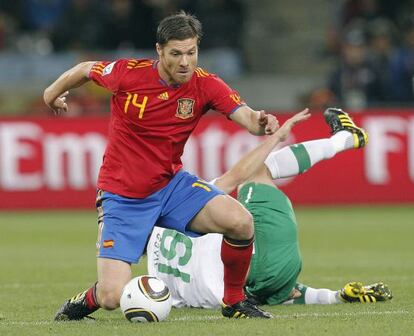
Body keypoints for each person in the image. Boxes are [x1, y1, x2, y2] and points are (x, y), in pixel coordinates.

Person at [44, 11, 281, 321]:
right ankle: (85, 300)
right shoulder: (128, 74)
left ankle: (235, 302)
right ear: (159, 51)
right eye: (176, 53)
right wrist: (52, 94)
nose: (185, 61)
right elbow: (86, 69)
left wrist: (260, 122)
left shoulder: (206, 84)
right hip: (123, 196)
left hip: (171, 186)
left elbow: (247, 117)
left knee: (241, 222)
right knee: (112, 296)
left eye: (191, 52)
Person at [147, 108, 392, 310]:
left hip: (248, 283)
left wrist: (334, 297)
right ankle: (346, 138)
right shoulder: (176, 202)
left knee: (266, 279)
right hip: (256, 260)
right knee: (256, 172)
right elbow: (235, 175)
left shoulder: (158, 280)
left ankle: (336, 297)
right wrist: (275, 138)